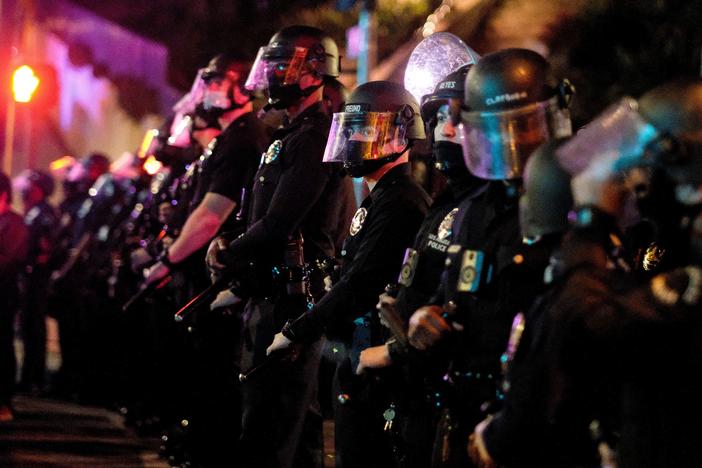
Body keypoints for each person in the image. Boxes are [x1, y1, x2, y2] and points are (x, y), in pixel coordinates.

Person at [406, 48, 574, 467]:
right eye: (497, 130)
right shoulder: (475, 208)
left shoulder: (575, 203)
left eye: (527, 127)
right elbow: (451, 294)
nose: (514, 142)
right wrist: (425, 317)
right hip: (465, 415)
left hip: (538, 430)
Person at [207, 25, 355, 468]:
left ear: (314, 72)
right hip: (273, 296)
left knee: (269, 432)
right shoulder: (291, 133)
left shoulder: (313, 137)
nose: (271, 75)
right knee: (294, 429)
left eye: (280, 65)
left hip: (290, 303)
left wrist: (228, 252)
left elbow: (279, 223)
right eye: (269, 64)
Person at [15, 170, 59, 395]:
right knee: (27, 327)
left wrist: (34, 271)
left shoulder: (44, 214)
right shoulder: (33, 211)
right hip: (28, 276)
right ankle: (28, 376)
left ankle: (34, 378)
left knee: (34, 328)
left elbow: (45, 249)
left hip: (37, 279)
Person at [0, 172, 29, 422]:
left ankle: (4, 401)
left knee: (3, 346)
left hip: (4, 295)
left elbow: (7, 260)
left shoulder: (14, 224)